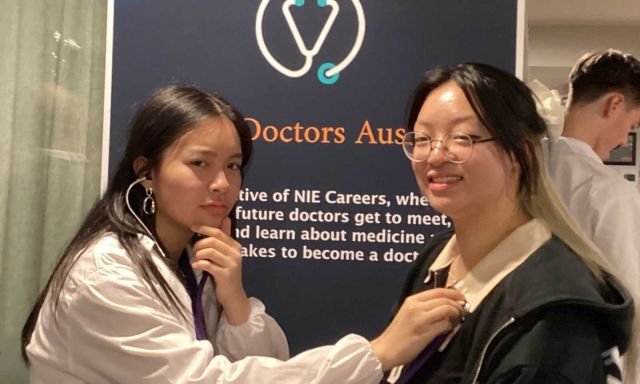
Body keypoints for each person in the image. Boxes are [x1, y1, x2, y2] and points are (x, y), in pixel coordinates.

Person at [22, 84, 466, 384]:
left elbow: (268, 364)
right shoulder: (107, 272)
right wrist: (377, 353)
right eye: (200, 163)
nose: (222, 184)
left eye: (233, 166)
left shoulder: (190, 258)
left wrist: (234, 298)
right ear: (147, 172)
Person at [388, 63, 634, 383]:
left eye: (462, 137)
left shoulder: (551, 316)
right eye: (423, 138)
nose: (434, 156)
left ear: (520, 152)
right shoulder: (435, 259)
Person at [546, 49, 640, 382]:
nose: (623, 139)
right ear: (614, 104)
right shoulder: (610, 193)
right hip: (585, 361)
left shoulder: (522, 171)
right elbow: (630, 304)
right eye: (632, 125)